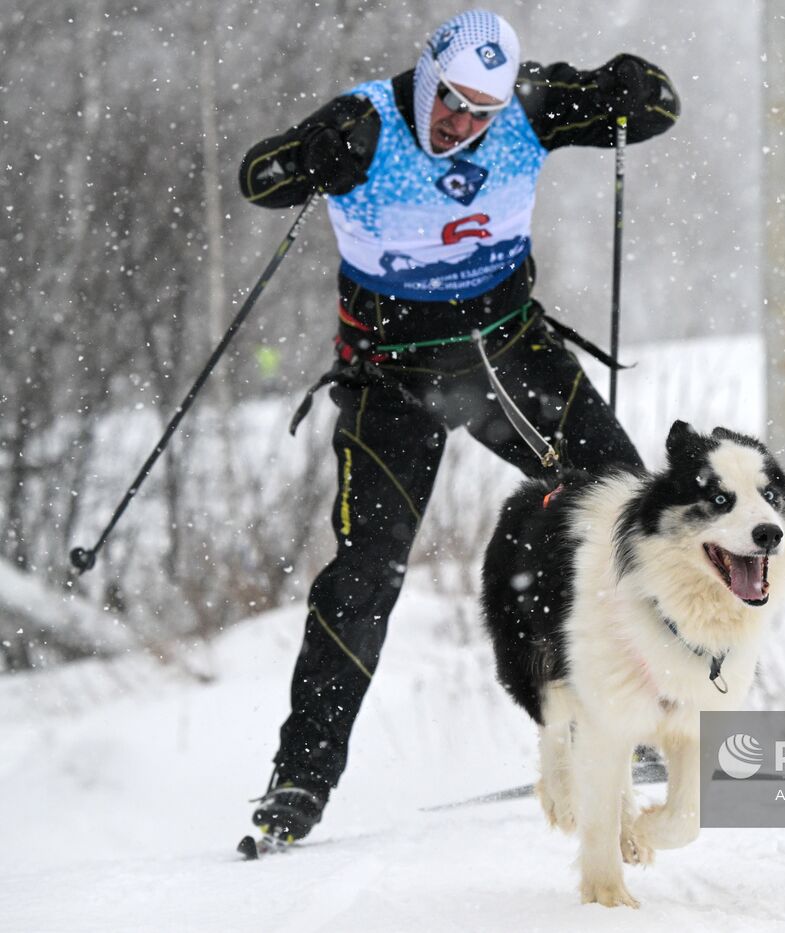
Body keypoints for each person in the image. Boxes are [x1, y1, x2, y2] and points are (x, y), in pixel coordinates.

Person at [236, 9, 680, 843]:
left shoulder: (529, 106)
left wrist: (629, 88)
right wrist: (309, 156)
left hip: (507, 354)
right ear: (427, 73)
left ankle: (629, 725)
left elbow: (658, 106)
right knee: (366, 571)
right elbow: (256, 179)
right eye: (450, 103)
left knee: (625, 511)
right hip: (390, 379)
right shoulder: (365, 123)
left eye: (482, 111)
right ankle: (299, 780)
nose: (463, 124)